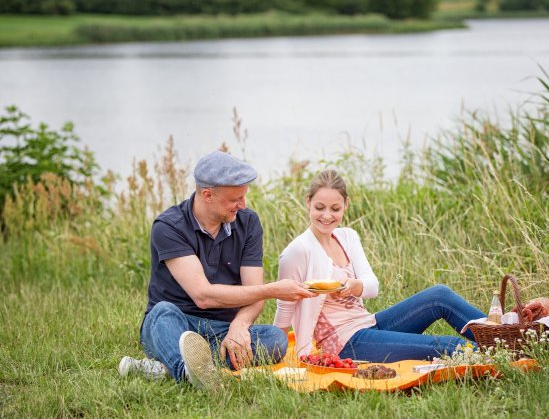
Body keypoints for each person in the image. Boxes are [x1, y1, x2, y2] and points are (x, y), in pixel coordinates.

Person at [118, 151, 316, 389]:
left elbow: (254, 296)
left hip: (221, 329)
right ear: (208, 195)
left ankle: (171, 367)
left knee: (275, 340)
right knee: (161, 313)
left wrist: (239, 326)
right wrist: (273, 289)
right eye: (235, 199)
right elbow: (203, 296)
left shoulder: (248, 222)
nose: (242, 205)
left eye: (244, 197)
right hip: (177, 322)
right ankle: (185, 372)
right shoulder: (168, 226)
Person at [273, 170, 487, 363]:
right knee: (443, 345)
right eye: (319, 207)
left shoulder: (347, 237)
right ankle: (501, 355)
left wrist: (354, 285)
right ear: (308, 202)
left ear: (346, 204)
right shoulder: (298, 251)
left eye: (335, 208)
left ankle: (505, 339)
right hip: (346, 345)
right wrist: (276, 357)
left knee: (439, 295)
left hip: (369, 324)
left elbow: (372, 286)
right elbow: (284, 309)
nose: (327, 216)